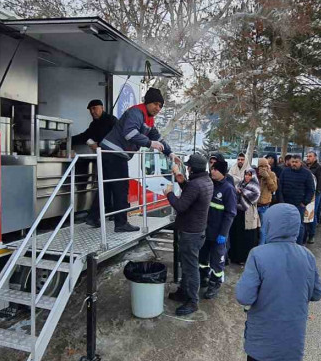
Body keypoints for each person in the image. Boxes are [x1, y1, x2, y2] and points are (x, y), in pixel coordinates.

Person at [236, 204, 321, 361]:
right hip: (291, 338)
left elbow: (244, 296)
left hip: (262, 338)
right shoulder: (307, 256)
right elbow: (317, 293)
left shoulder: (258, 255)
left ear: (269, 225)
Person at [92, 88, 175, 231]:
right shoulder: (137, 112)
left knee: (106, 186)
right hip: (115, 153)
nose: (158, 108)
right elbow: (130, 133)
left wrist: (170, 152)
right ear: (148, 102)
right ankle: (121, 224)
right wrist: (149, 144)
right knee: (121, 188)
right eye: (155, 104)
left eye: (160, 106)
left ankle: (92, 217)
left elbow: (156, 136)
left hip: (109, 152)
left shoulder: (148, 119)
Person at [165, 153, 214, 316]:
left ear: (193, 168)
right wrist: (182, 182)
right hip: (198, 231)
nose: (188, 168)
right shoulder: (206, 181)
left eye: (189, 166)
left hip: (190, 233)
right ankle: (183, 292)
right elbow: (193, 196)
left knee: (191, 268)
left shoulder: (195, 184)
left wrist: (169, 193)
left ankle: (192, 302)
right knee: (186, 265)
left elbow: (180, 205)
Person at [200, 160, 237, 300]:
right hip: (206, 231)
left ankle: (214, 284)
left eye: (215, 169)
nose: (212, 171)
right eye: (211, 169)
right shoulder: (210, 185)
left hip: (218, 233)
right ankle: (203, 278)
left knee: (217, 261)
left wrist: (223, 233)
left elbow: (231, 213)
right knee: (202, 258)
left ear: (222, 172)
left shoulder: (228, 189)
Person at [278, 156, 315, 244]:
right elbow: (280, 187)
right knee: (285, 224)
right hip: (286, 203)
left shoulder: (307, 173)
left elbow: (311, 189)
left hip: (299, 204)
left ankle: (299, 244)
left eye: (296, 162)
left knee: (299, 225)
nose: (294, 164)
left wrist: (304, 202)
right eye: (292, 162)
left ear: (300, 162)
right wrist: (281, 201)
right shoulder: (285, 171)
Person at [229, 169, 261, 265]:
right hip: (238, 213)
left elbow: (255, 196)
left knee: (248, 237)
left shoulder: (255, 186)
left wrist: (241, 192)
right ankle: (235, 257)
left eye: (249, 175)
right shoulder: (240, 184)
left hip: (249, 214)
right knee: (237, 235)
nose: (247, 177)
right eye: (246, 174)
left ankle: (245, 258)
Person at [256, 157, 278, 244]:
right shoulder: (255, 174)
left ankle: (262, 245)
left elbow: (274, 188)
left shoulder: (271, 174)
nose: (263, 168)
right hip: (254, 205)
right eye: (261, 166)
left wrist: (267, 177)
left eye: (265, 166)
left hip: (264, 205)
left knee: (263, 229)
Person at [304, 152, 321, 244]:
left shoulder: (319, 168)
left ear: (315, 157)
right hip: (305, 193)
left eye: (310, 156)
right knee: (305, 214)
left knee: (312, 213)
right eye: (307, 156)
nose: (308, 158)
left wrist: (317, 193)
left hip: (315, 194)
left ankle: (312, 234)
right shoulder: (305, 166)